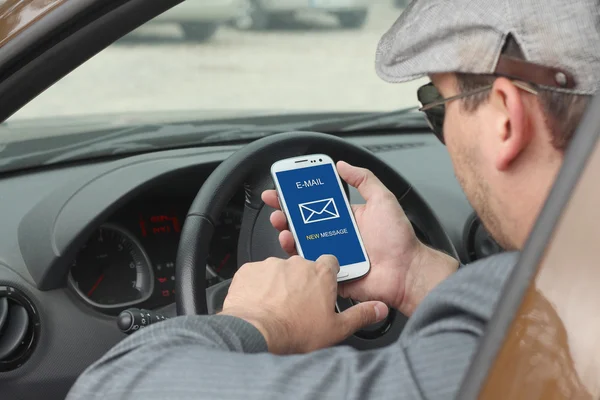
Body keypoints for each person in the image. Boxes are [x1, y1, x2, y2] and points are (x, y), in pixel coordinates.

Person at [66, 0, 599, 399]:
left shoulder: (487, 359)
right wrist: (415, 275)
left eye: (439, 104)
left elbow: (112, 388)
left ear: (507, 118)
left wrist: (259, 322)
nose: (442, 128)